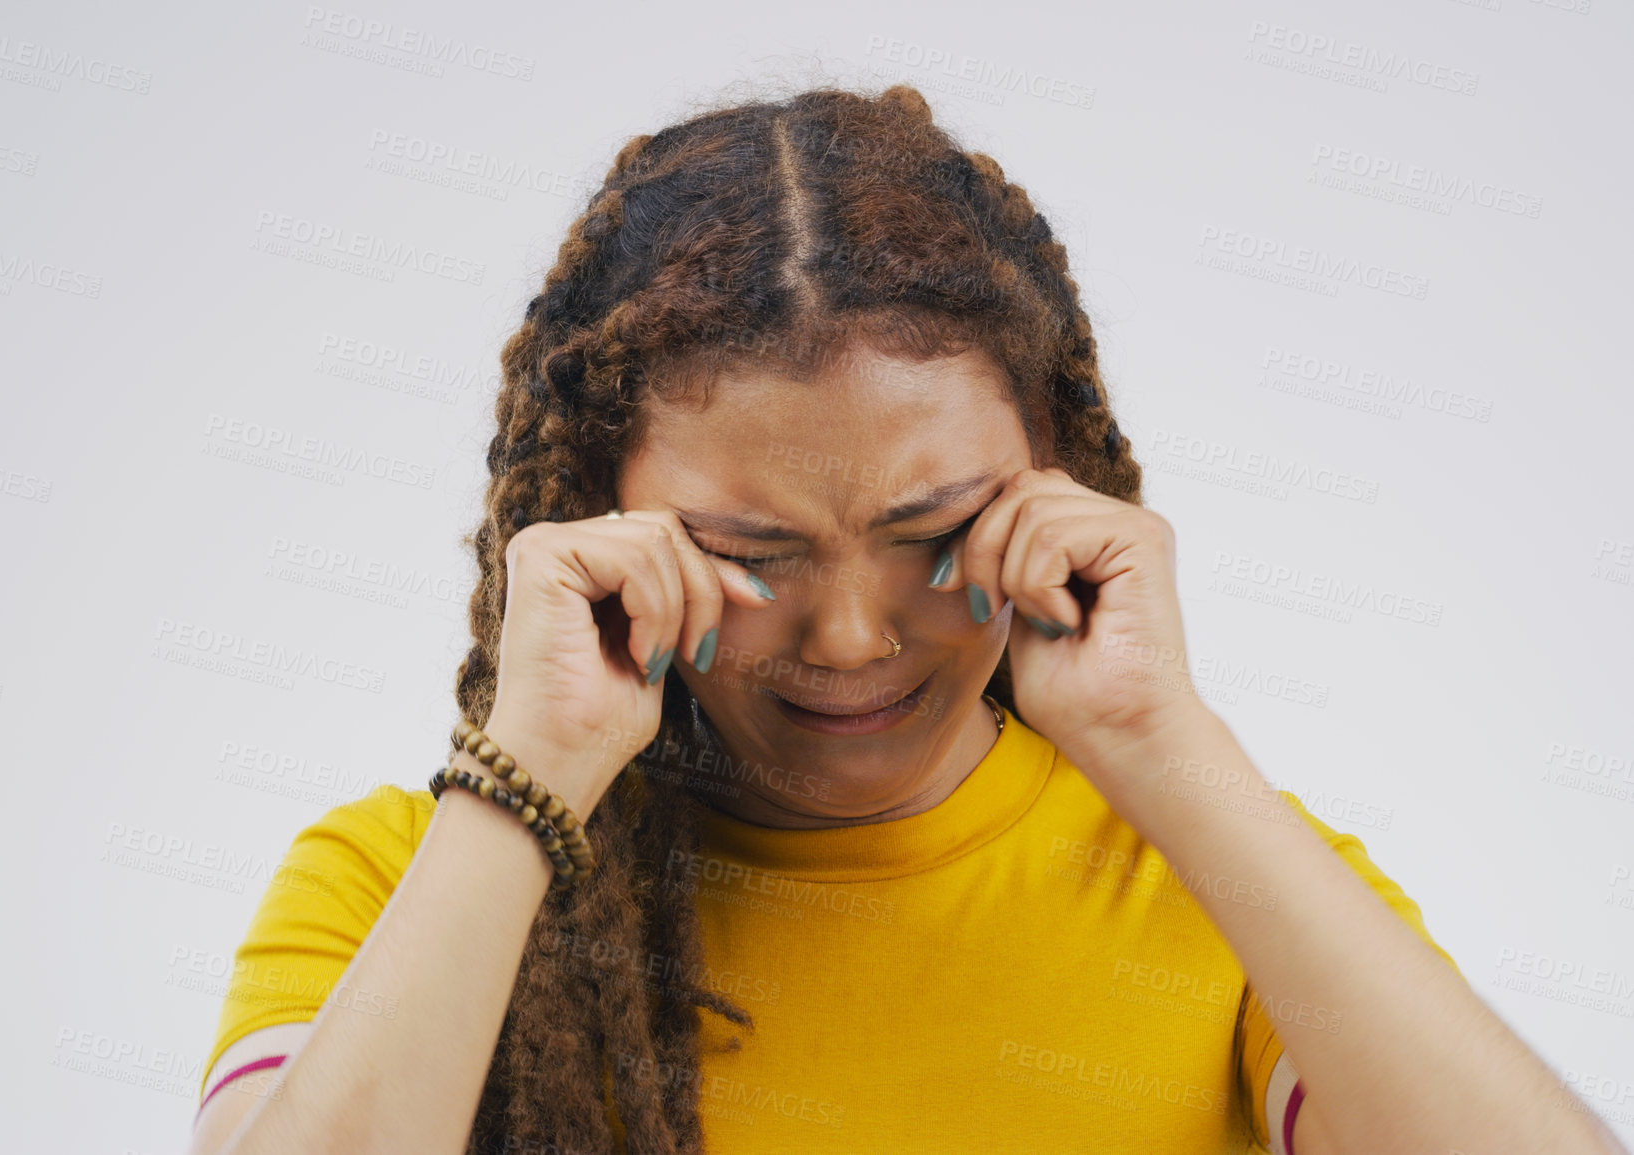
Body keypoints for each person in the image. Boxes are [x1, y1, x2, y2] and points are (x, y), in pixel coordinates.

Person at [185, 84, 1627, 1155]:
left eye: (931, 536)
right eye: (749, 553)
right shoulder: (400, 887)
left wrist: (1161, 740)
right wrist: (531, 774)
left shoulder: (1226, 888)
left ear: (1053, 482)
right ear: (593, 522)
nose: (853, 637)